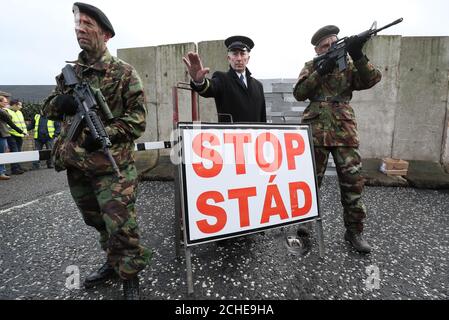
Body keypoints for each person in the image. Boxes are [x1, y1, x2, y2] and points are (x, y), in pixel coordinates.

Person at [42, 2, 151, 299]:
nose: (80, 30)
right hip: (77, 164)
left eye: (87, 25)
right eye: (77, 25)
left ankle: (130, 275)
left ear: (106, 34)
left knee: (121, 224)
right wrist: (60, 104)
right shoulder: (69, 73)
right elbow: (48, 108)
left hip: (112, 165)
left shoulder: (125, 74)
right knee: (97, 220)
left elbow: (137, 121)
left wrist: (105, 135)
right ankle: (113, 262)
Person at [292, 25, 382, 253]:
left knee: (353, 184)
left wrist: (359, 54)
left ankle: (354, 231)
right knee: (309, 183)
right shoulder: (311, 66)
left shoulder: (350, 65)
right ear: (317, 49)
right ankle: (305, 224)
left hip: (344, 132)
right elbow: (300, 93)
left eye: (334, 42)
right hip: (315, 133)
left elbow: (372, 79)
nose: (331, 47)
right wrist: (321, 70)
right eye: (325, 45)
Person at [183, 35, 266, 123]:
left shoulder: (258, 86)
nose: (239, 58)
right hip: (229, 136)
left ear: (248, 58)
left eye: (242, 54)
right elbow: (210, 87)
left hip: (254, 136)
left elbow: (263, 118)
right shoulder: (222, 79)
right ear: (229, 59)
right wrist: (199, 82)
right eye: (235, 54)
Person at [0, 95, 24, 180]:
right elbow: (9, 120)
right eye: (5, 102)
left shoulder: (18, 112)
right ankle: (6, 171)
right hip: (6, 134)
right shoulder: (4, 111)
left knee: (9, 152)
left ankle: (3, 171)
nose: (6, 103)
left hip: (13, 134)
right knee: (5, 153)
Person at [5, 99, 28, 175]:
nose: (21, 107)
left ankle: (18, 167)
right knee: (14, 151)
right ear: (14, 105)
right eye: (19, 105)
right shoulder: (7, 111)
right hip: (11, 135)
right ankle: (14, 169)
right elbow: (8, 125)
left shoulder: (19, 112)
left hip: (20, 135)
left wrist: (24, 132)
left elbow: (22, 124)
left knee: (18, 151)